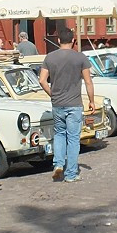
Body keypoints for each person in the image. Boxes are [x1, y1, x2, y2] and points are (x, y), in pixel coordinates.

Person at [39, 28, 94, 184]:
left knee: (59, 134)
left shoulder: (50, 57)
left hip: (57, 103)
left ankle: (58, 164)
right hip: (74, 103)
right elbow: (88, 81)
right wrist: (91, 100)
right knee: (73, 138)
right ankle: (70, 174)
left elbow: (42, 80)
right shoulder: (80, 57)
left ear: (58, 41)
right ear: (73, 41)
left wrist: (52, 94)